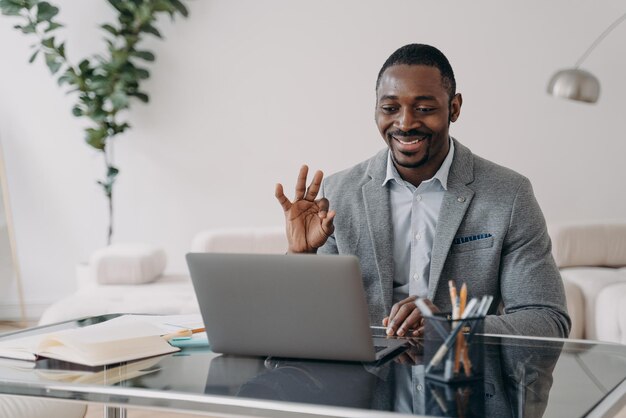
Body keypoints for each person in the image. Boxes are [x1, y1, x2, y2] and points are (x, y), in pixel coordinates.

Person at [275, 43, 570, 339]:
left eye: (424, 109)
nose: (405, 123)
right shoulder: (338, 192)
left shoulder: (510, 194)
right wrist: (300, 256)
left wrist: (450, 327)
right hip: (364, 381)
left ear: (454, 108)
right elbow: (308, 325)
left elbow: (547, 319)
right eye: (390, 108)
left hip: (462, 378)